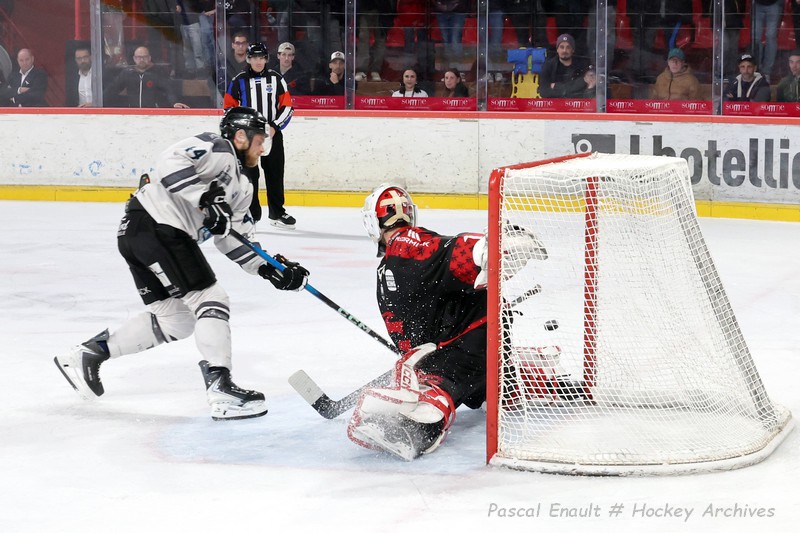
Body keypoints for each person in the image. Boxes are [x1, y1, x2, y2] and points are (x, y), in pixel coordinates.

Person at [53, 107, 310, 420]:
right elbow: (169, 160)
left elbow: (233, 239)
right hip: (157, 225)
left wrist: (270, 268)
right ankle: (221, 388)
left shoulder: (244, 187)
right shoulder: (219, 148)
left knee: (177, 321)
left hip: (141, 234)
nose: (263, 148)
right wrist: (204, 198)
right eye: (259, 140)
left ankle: (89, 355)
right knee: (210, 298)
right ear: (240, 136)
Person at [346, 185, 571, 460]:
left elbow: (446, 253)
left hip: (459, 354)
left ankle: (422, 423)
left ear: (372, 221)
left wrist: (484, 250)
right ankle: (519, 380)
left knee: (433, 395)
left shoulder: (404, 244)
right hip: (480, 351)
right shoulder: (392, 260)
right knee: (482, 382)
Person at [224, 42, 295, 229]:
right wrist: (241, 130)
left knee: (275, 173)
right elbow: (229, 109)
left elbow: (287, 106)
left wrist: (274, 126)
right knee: (249, 176)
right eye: (254, 57)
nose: (258, 61)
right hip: (248, 139)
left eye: (261, 57)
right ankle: (251, 214)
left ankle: (277, 213)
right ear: (248, 59)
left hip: (272, 135)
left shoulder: (276, 79)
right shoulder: (238, 80)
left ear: (266, 59)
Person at [103, 46, 189, 108]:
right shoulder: (127, 73)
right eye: (139, 57)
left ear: (149, 58)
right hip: (133, 115)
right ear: (134, 58)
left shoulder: (157, 73)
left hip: (153, 115)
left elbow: (169, 90)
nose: (141, 60)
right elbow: (112, 89)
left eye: (144, 57)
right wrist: (99, 102)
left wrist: (174, 102)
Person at [538, 33, 591, 98]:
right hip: (555, 105)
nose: (564, 50)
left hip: (575, 106)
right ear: (557, 49)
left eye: (568, 47)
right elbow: (543, 92)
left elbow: (583, 89)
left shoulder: (581, 66)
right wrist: (570, 90)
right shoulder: (548, 66)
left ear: (573, 50)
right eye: (561, 47)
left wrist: (557, 86)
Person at [354, 0, 394, 82]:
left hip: (382, 8)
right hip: (363, 7)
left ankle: (375, 70)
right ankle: (362, 70)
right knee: (363, 38)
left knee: (380, 39)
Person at [752, 0, 782, 82]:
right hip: (757, 4)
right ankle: (756, 68)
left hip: (774, 3)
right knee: (756, 37)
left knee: (771, 37)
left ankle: (766, 71)